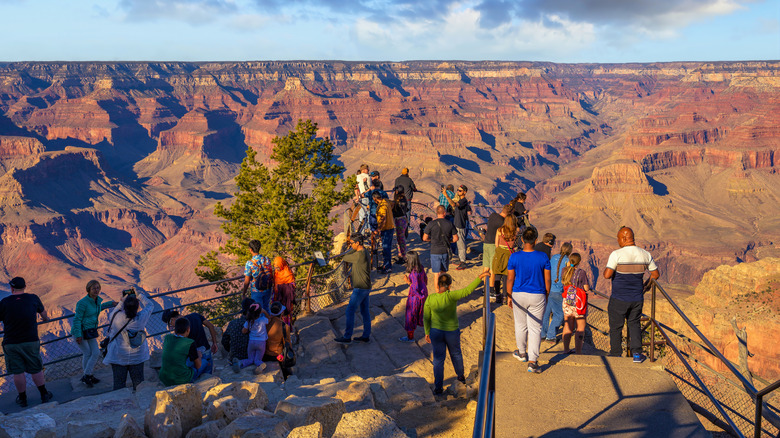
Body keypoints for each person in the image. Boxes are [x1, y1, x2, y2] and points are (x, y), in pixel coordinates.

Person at [424, 271, 490, 395]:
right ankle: (460, 377)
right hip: (451, 332)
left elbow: (426, 317)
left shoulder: (430, 298)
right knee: (456, 354)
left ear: (438, 285)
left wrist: (427, 332)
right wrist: (479, 278)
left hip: (436, 332)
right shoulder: (451, 296)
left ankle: (438, 387)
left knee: (438, 359)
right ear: (449, 286)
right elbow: (467, 291)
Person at [603, 227, 660, 363]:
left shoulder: (616, 254)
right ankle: (637, 355)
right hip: (637, 298)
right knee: (634, 324)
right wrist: (646, 286)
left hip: (619, 298)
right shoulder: (645, 254)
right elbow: (655, 274)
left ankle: (616, 354)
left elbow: (607, 275)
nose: (618, 242)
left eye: (618, 239)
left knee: (616, 326)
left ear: (623, 238)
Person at [0, 277, 52, 407]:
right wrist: (45, 319)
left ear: (12, 288)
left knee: (18, 372)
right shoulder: (33, 298)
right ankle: (44, 394)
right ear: (24, 287)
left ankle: (22, 399)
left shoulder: (4, 302)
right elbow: (44, 316)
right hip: (30, 340)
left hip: (11, 342)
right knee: (36, 368)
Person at [507, 227, 551, 373]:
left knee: (520, 325)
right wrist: (546, 295)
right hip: (537, 295)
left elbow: (510, 279)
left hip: (518, 294)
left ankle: (521, 353)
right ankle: (532, 362)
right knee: (535, 328)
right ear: (536, 240)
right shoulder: (543, 257)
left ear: (522, 239)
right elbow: (547, 279)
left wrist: (508, 296)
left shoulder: (514, 256)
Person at [103, 291, 153, 391]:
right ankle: (141, 403)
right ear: (137, 307)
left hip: (118, 356)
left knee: (119, 385)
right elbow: (150, 305)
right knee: (139, 384)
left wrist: (123, 300)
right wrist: (139, 295)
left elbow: (117, 308)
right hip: (137, 356)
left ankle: (120, 403)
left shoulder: (115, 316)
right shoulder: (141, 318)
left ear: (124, 306)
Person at [72, 280, 116, 387]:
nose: (96, 290)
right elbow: (77, 319)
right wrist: (78, 335)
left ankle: (87, 375)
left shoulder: (96, 301)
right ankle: (88, 375)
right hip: (80, 332)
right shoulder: (82, 303)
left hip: (90, 331)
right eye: (93, 288)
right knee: (87, 353)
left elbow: (99, 308)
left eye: (97, 288)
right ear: (88, 290)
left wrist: (112, 303)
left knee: (95, 352)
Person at [334, 234, 372, 344]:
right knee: (365, 311)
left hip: (360, 288)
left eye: (352, 243)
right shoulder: (364, 251)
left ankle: (347, 337)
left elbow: (345, 257)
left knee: (350, 310)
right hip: (366, 286)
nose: (350, 245)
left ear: (357, 243)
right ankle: (366, 335)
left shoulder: (359, 255)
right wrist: (352, 248)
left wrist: (349, 250)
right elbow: (349, 253)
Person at [161, 308, 218, 378]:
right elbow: (211, 326)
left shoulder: (180, 329)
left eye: (170, 324)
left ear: (172, 320)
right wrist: (214, 343)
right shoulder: (195, 315)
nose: (172, 327)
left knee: (196, 376)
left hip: (194, 357)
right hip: (206, 351)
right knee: (208, 376)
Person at [542, 242, 573, 343]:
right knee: (559, 314)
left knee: (546, 312)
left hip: (548, 288)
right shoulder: (567, 261)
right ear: (570, 251)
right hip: (558, 291)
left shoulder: (554, 257)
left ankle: (542, 334)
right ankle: (550, 336)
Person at [561, 253, 591, 354]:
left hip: (567, 301)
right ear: (579, 262)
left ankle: (566, 349)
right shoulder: (581, 272)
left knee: (568, 326)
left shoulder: (564, 270)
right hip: (579, 302)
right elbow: (586, 288)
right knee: (580, 328)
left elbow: (563, 283)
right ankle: (578, 352)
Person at [422, 205, 458, 288]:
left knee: (436, 275)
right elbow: (456, 238)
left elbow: (424, 238)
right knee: (443, 274)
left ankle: (438, 292)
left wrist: (431, 240)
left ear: (437, 213)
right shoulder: (449, 223)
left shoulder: (431, 224)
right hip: (445, 251)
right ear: (444, 213)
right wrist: (448, 241)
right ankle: (444, 291)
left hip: (435, 251)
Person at [159, 317, 201, 386]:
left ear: (175, 330)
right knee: (205, 362)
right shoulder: (190, 342)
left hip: (164, 378)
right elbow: (198, 366)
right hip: (181, 379)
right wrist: (199, 355)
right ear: (188, 329)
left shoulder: (167, 338)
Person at [399, 251, 428, 342]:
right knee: (421, 314)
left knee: (410, 316)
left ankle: (410, 337)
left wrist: (407, 281)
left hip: (415, 298)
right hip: (423, 294)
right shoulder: (421, 268)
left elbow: (415, 288)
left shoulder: (414, 273)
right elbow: (425, 280)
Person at [484, 205, 512, 299]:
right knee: (493, 269)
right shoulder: (502, 222)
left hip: (486, 243)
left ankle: (485, 288)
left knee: (486, 267)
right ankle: (491, 290)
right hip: (493, 245)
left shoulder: (492, 215)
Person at [233, 303, 270, 373]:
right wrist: (264, 311)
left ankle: (240, 363)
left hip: (252, 342)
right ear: (259, 312)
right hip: (261, 343)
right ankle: (260, 364)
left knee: (250, 359)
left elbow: (244, 331)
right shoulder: (263, 320)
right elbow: (269, 319)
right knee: (257, 359)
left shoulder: (249, 322)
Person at [443, 185, 472, 270]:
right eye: (458, 190)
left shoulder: (463, 201)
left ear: (465, 192)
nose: (458, 191)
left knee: (461, 243)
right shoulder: (462, 201)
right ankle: (460, 259)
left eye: (460, 190)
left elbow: (453, 204)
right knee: (458, 242)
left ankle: (463, 262)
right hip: (457, 224)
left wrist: (446, 196)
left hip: (460, 225)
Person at [241, 240, 274, 312]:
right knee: (266, 307)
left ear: (251, 250)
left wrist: (244, 293)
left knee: (258, 310)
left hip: (256, 290)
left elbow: (247, 281)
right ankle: (268, 322)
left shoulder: (249, 263)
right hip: (267, 287)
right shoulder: (266, 259)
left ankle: (261, 323)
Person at [492, 215, 518, 306]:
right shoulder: (515, 231)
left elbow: (496, 244)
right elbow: (515, 245)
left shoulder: (499, 230)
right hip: (509, 254)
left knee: (497, 275)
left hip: (499, 254)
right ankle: (505, 297)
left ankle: (497, 295)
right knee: (506, 277)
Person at [263, 301, 293, 379]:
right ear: (282, 313)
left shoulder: (265, 323)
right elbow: (287, 343)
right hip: (277, 356)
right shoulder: (284, 326)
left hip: (264, 355)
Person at [222, 298, 254, 366]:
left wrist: (231, 350)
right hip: (249, 357)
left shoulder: (233, 323)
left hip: (234, 357)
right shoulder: (255, 325)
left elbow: (224, 340)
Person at [373, 191, 395, 274]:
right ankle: (386, 265)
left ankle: (388, 267)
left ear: (375, 199)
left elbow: (383, 219)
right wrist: (390, 212)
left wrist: (378, 229)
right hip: (390, 227)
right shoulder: (386, 201)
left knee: (386, 248)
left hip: (386, 229)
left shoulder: (382, 207)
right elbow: (393, 203)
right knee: (387, 248)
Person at [272, 256, 296, 327]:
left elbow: (292, 285)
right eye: (275, 267)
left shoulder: (288, 273)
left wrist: (284, 289)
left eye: (278, 267)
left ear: (282, 265)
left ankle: (287, 328)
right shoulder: (276, 273)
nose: (276, 269)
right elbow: (275, 284)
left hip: (286, 299)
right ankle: (279, 328)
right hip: (278, 297)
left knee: (287, 313)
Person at [393, 167, 417, 236]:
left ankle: (397, 225)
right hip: (407, 199)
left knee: (398, 212)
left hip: (398, 199)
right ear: (407, 173)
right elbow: (414, 188)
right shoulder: (409, 180)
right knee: (407, 212)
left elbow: (395, 188)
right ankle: (407, 226)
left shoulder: (397, 179)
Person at [391, 187, 408, 263]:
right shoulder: (403, 199)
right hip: (402, 220)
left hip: (400, 220)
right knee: (399, 239)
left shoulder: (399, 202)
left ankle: (403, 257)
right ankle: (400, 255)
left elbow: (396, 211)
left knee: (401, 239)